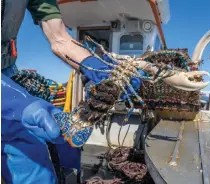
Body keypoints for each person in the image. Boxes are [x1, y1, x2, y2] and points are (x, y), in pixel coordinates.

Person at [1, 0, 142, 183]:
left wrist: (93, 64)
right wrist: (16, 102)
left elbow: (60, 39)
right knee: (28, 152)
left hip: (7, 71)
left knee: (64, 146)